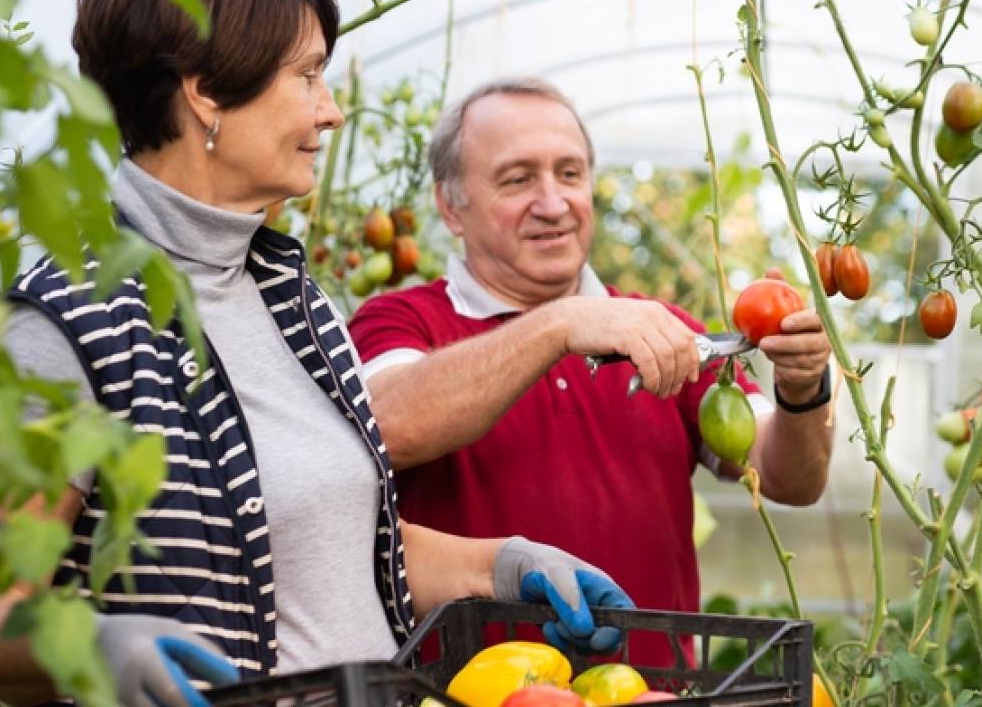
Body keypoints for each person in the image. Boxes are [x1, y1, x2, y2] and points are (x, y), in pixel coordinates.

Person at [0, 0, 630, 707]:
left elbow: (329, 546)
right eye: (308, 76)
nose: (331, 110)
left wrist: (503, 566)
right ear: (206, 89)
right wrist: (92, 643)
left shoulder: (290, 298)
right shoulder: (67, 328)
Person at [348, 78, 837, 666]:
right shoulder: (401, 321)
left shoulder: (662, 330)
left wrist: (802, 391)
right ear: (451, 206)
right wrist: (560, 325)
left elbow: (789, 479)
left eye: (571, 174)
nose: (554, 204)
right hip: (476, 697)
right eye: (518, 178)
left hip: (650, 694)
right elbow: (391, 427)